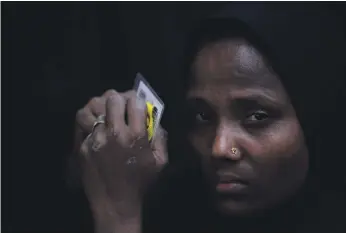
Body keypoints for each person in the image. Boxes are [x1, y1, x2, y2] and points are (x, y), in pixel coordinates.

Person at [71, 3, 346, 233]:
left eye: (256, 116)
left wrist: (118, 216)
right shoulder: (173, 209)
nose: (220, 148)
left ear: (316, 120)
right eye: (203, 116)